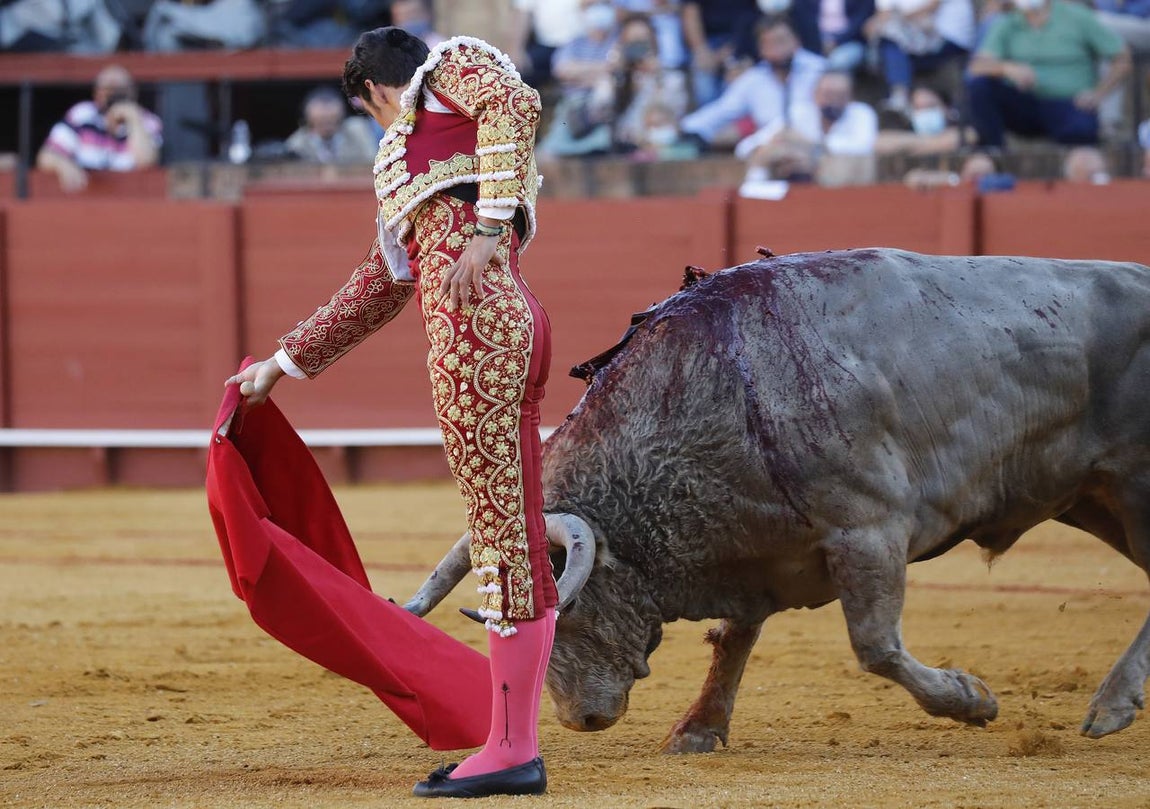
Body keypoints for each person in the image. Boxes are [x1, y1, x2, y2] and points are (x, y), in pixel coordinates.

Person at [225, 28, 555, 799]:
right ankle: (513, 741)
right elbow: (382, 282)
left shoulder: (446, 73)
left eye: (372, 112)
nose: (382, 127)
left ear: (374, 91)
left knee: (500, 533)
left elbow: (515, 102)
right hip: (499, 325)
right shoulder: (411, 157)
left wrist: (487, 228)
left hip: (476, 331)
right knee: (512, 530)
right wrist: (283, 362)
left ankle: (512, 748)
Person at [966, 0, 1131, 149]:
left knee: (1081, 132)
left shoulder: (1076, 16)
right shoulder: (1008, 21)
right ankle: (992, 155)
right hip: (1024, 103)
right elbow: (977, 67)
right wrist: (1007, 68)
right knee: (980, 86)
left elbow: (1122, 57)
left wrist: (1098, 94)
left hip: (1069, 104)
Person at [679, 17, 826, 149]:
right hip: (771, 147)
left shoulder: (820, 70)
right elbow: (721, 110)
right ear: (761, 49)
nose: (777, 49)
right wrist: (683, 127)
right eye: (770, 44)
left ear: (796, 41)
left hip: (816, 144)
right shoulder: (753, 80)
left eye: (781, 41)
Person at [736, 70, 877, 189]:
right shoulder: (799, 113)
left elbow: (863, 146)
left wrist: (811, 148)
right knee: (772, 147)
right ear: (815, 94)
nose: (834, 101)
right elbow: (746, 147)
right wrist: (775, 146)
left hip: (842, 181)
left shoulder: (862, 113)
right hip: (794, 175)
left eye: (840, 96)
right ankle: (753, 194)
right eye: (828, 95)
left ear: (850, 97)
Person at [35, 65, 162, 193]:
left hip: (130, 198)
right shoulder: (82, 114)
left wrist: (134, 120)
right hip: (84, 197)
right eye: (108, 87)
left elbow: (146, 162)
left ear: (132, 92)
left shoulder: (148, 121)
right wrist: (63, 164)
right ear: (96, 93)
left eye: (119, 88)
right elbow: (46, 156)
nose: (113, 93)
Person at [536, 1, 620, 157]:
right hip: (572, 103)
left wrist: (579, 74)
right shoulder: (575, 42)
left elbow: (614, 68)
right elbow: (562, 70)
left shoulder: (616, 41)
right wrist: (597, 72)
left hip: (601, 106)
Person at [865, 0, 975, 111]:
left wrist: (897, 18)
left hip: (951, 39)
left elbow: (933, 5)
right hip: (927, 39)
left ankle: (899, 97)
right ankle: (899, 97)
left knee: (890, 38)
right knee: (889, 41)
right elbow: (882, 16)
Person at [681, 0, 764, 106]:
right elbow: (690, 12)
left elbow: (759, 14)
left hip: (745, 39)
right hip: (708, 41)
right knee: (705, 87)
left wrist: (739, 50)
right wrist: (701, 50)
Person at [285, 86, 378, 163]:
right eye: (320, 121)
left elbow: (372, 160)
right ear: (309, 121)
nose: (326, 126)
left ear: (341, 117)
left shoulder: (357, 132)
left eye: (332, 120)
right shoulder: (298, 143)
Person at [874, 85, 975, 154]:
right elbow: (881, 143)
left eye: (931, 107)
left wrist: (912, 147)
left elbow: (969, 136)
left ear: (947, 109)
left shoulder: (962, 126)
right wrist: (938, 142)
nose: (926, 113)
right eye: (919, 108)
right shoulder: (905, 128)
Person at [509, 0, 585, 90]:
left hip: (580, 45)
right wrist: (517, 51)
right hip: (545, 45)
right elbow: (522, 15)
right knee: (518, 74)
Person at [789, 0, 876, 73]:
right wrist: (819, 43)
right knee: (802, 61)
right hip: (813, 43)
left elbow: (861, 20)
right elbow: (803, 18)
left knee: (838, 62)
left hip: (849, 42)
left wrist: (836, 42)